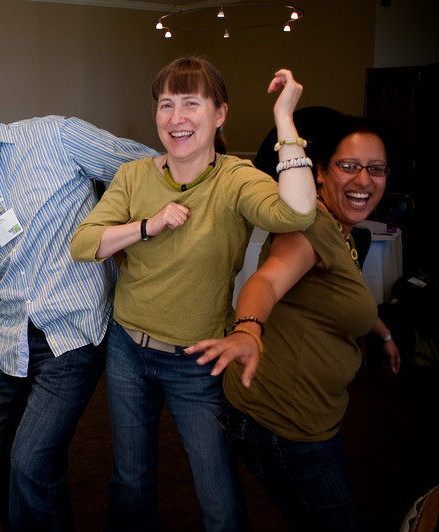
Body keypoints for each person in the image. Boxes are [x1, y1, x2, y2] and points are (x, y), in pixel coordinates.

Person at [69, 57, 316, 531]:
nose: (176, 118)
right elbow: (84, 244)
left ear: (219, 114)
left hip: (198, 359)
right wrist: (147, 225)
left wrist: (285, 118)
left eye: (190, 104)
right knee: (130, 478)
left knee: (218, 495)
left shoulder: (236, 178)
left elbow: (298, 213)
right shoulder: (134, 175)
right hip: (128, 351)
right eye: (166, 105)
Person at [0, 67, 158, 529]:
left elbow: (142, 166)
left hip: (73, 332)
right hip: (10, 336)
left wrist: (119, 228)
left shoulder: (55, 137)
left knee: (32, 463)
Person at [189, 115, 401, 531]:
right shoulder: (314, 227)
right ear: (319, 173)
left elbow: (345, 297)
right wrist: (248, 328)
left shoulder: (341, 230)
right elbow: (267, 280)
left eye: (376, 168)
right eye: (348, 166)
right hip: (284, 422)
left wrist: (384, 333)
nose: (364, 179)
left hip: (313, 416)